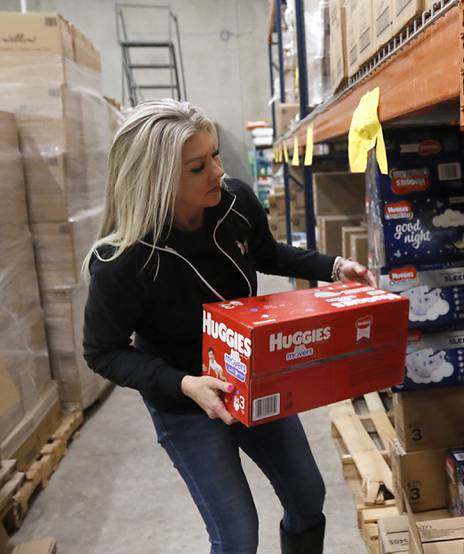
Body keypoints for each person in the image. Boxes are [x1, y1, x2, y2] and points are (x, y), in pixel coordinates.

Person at [82, 99, 375, 554]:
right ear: (156, 178)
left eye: (215, 155)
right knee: (237, 537)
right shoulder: (122, 262)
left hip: (253, 383)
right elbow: (103, 351)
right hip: (187, 405)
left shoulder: (233, 202)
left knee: (307, 496)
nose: (218, 171)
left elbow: (268, 252)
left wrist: (333, 266)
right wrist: (183, 384)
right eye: (198, 166)